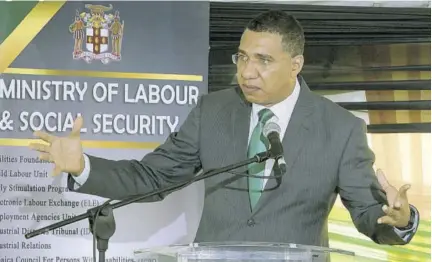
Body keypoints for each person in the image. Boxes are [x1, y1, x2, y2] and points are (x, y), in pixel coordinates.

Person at [30, 10, 419, 247]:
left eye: (263, 60)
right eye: (243, 57)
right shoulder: (212, 111)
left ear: (296, 64)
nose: (247, 71)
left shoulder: (341, 128)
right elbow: (154, 178)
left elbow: (370, 213)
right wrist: (83, 166)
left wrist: (400, 221)